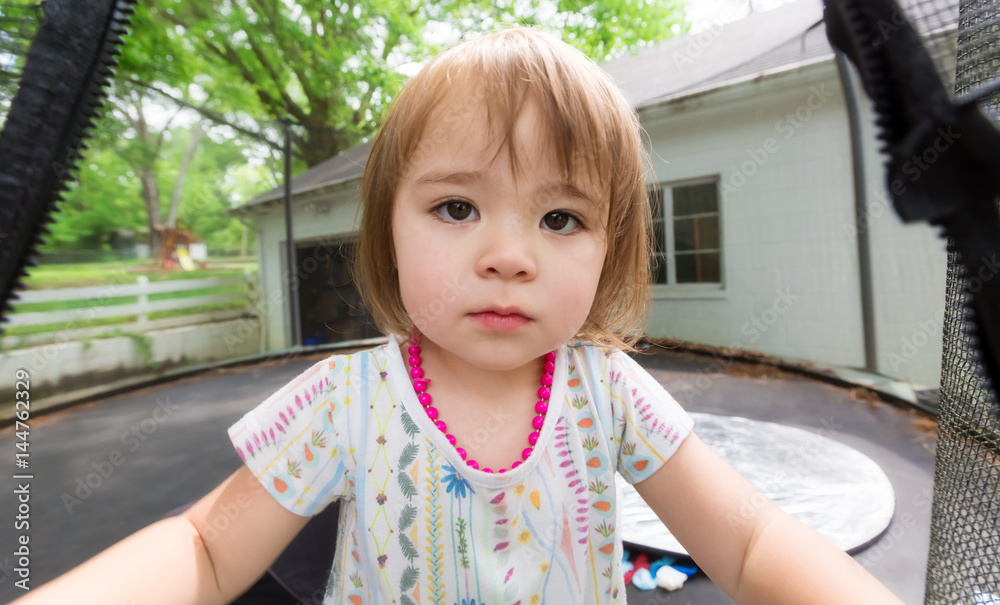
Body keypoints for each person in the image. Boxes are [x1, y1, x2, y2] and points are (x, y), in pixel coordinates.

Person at [14, 27, 905, 605]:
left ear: (611, 247)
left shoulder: (608, 394)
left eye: (560, 219)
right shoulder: (346, 400)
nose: (509, 254)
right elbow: (205, 551)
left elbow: (750, 543)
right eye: (456, 208)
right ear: (388, 229)